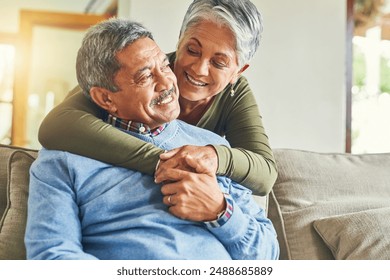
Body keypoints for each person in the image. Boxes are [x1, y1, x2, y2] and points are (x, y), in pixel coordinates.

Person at [25, 18, 279, 260]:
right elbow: (53, 256)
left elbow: (268, 255)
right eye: (145, 77)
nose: (167, 82)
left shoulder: (213, 150)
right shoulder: (62, 161)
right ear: (105, 99)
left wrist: (221, 211)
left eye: (165, 66)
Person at [37, 0, 277, 196]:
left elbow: (265, 174)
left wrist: (214, 156)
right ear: (180, 39)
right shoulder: (139, 73)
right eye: (192, 50)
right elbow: (55, 126)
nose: (199, 69)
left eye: (219, 62)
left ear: (238, 71)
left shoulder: (234, 95)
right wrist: (165, 162)